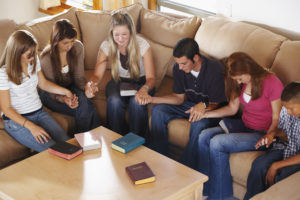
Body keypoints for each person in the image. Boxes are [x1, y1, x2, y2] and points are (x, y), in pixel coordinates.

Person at [197, 52, 284, 200]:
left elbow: (277, 118)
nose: (238, 82)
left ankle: (220, 196)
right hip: (244, 125)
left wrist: (268, 136)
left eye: (239, 78)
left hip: (262, 134)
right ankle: (206, 189)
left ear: (248, 70)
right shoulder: (240, 82)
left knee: (217, 142)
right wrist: (204, 114)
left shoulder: (272, 83)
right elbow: (232, 108)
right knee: (204, 136)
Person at [147, 37, 226, 168]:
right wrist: (152, 100)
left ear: (195, 58)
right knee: (158, 111)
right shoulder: (178, 68)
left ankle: (185, 168)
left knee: (198, 123)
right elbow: (178, 98)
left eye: (183, 63)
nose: (180, 67)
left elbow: (216, 103)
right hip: (190, 105)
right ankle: (160, 161)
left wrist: (204, 105)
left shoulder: (214, 69)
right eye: (178, 63)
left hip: (212, 110)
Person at [0, 30, 72, 152]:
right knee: (53, 149)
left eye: (33, 53)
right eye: (29, 55)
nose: (33, 57)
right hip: (16, 121)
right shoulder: (3, 73)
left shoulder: (33, 61)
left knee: (67, 142)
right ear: (16, 53)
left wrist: (65, 92)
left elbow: (43, 83)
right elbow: (6, 109)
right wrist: (32, 127)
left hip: (39, 113)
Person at [87, 12, 155, 136]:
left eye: (124, 34)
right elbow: (97, 75)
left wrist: (145, 89)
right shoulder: (106, 45)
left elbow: (151, 78)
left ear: (131, 32)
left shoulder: (143, 45)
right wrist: (91, 84)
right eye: (116, 34)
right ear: (111, 33)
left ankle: (136, 141)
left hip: (141, 83)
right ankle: (116, 139)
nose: (120, 38)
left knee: (137, 102)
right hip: (119, 82)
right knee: (114, 101)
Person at [39, 19, 100, 133]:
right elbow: (51, 89)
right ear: (56, 41)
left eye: (72, 41)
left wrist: (87, 88)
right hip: (50, 94)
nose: (70, 46)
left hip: (70, 87)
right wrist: (63, 99)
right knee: (85, 107)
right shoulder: (46, 58)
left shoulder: (78, 47)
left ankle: (85, 144)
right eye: (65, 43)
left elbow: (79, 78)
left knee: (85, 103)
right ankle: (92, 142)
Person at [244, 81, 300, 200]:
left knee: (282, 176)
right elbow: (285, 131)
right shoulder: (287, 110)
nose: (288, 112)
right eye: (286, 108)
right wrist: (272, 134)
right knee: (258, 166)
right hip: (287, 146)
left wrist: (276, 165)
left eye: (291, 108)